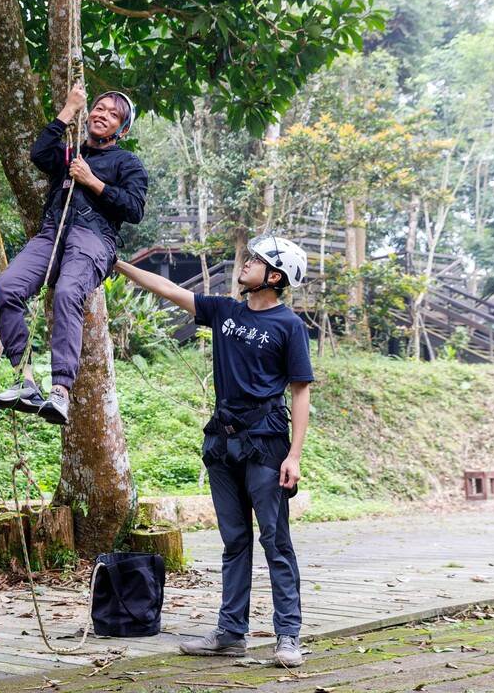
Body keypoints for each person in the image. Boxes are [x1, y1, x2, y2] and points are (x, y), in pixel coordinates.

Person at [114, 236, 313, 667]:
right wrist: (118, 264)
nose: (246, 264)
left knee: (275, 541)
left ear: (274, 277)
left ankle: (289, 636)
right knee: (234, 541)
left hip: (266, 443)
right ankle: (230, 633)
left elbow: (300, 393)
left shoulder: (289, 326)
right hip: (222, 441)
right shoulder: (226, 311)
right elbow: (167, 289)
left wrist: (294, 455)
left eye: (257, 261)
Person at [0, 83, 148, 424]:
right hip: (53, 234)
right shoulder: (68, 155)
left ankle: (60, 390)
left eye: (113, 114)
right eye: (99, 108)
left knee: (67, 292)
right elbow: (38, 154)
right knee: (5, 289)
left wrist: (93, 182)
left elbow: (134, 208)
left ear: (122, 129)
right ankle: (26, 381)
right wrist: (69, 109)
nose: (102, 115)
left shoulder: (127, 163)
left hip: (93, 238)